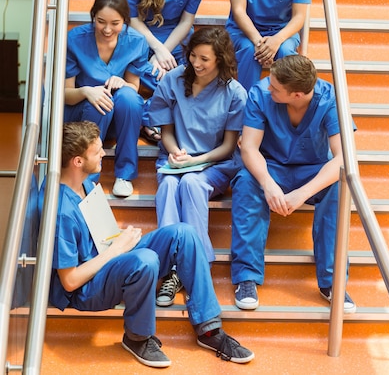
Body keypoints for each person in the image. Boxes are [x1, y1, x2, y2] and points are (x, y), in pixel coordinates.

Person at [38, 121, 254, 368]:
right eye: (97, 152)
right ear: (77, 161)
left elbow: (101, 233)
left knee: (184, 233)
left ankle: (209, 330)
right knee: (146, 261)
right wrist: (119, 249)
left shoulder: (84, 183)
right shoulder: (62, 212)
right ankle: (137, 338)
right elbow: (70, 281)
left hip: (106, 258)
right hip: (85, 289)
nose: (104, 154)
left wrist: (120, 238)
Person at [230, 55, 357, 313]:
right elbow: (250, 148)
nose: (269, 88)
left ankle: (332, 283)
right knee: (245, 181)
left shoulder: (329, 98)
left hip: (312, 170)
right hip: (271, 167)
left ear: (297, 95)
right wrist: (267, 183)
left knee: (339, 185)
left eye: (276, 87)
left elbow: (344, 157)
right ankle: (246, 277)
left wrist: (301, 194)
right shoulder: (260, 93)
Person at [148, 27, 247, 307]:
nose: (196, 63)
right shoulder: (174, 79)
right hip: (175, 161)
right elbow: (166, 131)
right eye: (193, 55)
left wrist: (197, 161)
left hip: (214, 164)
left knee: (191, 183)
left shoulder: (234, 92)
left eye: (204, 58)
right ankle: (171, 268)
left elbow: (229, 146)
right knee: (168, 185)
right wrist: (174, 152)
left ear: (220, 59)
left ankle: (195, 268)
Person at [124, 0, 206, 142]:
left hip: (177, 37)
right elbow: (132, 18)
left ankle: (148, 115)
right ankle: (155, 118)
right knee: (145, 69)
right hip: (142, 34)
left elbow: (187, 20)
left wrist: (164, 52)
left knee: (188, 73)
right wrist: (157, 50)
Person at [64, 0, 148, 198]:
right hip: (83, 113)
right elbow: (65, 93)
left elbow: (134, 87)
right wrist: (86, 91)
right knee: (98, 102)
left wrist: (123, 83)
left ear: (125, 21)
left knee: (129, 98)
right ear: (93, 17)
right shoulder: (75, 39)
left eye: (115, 23)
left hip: (117, 113)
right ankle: (88, 180)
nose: (107, 29)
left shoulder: (136, 42)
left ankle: (124, 175)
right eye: (101, 21)